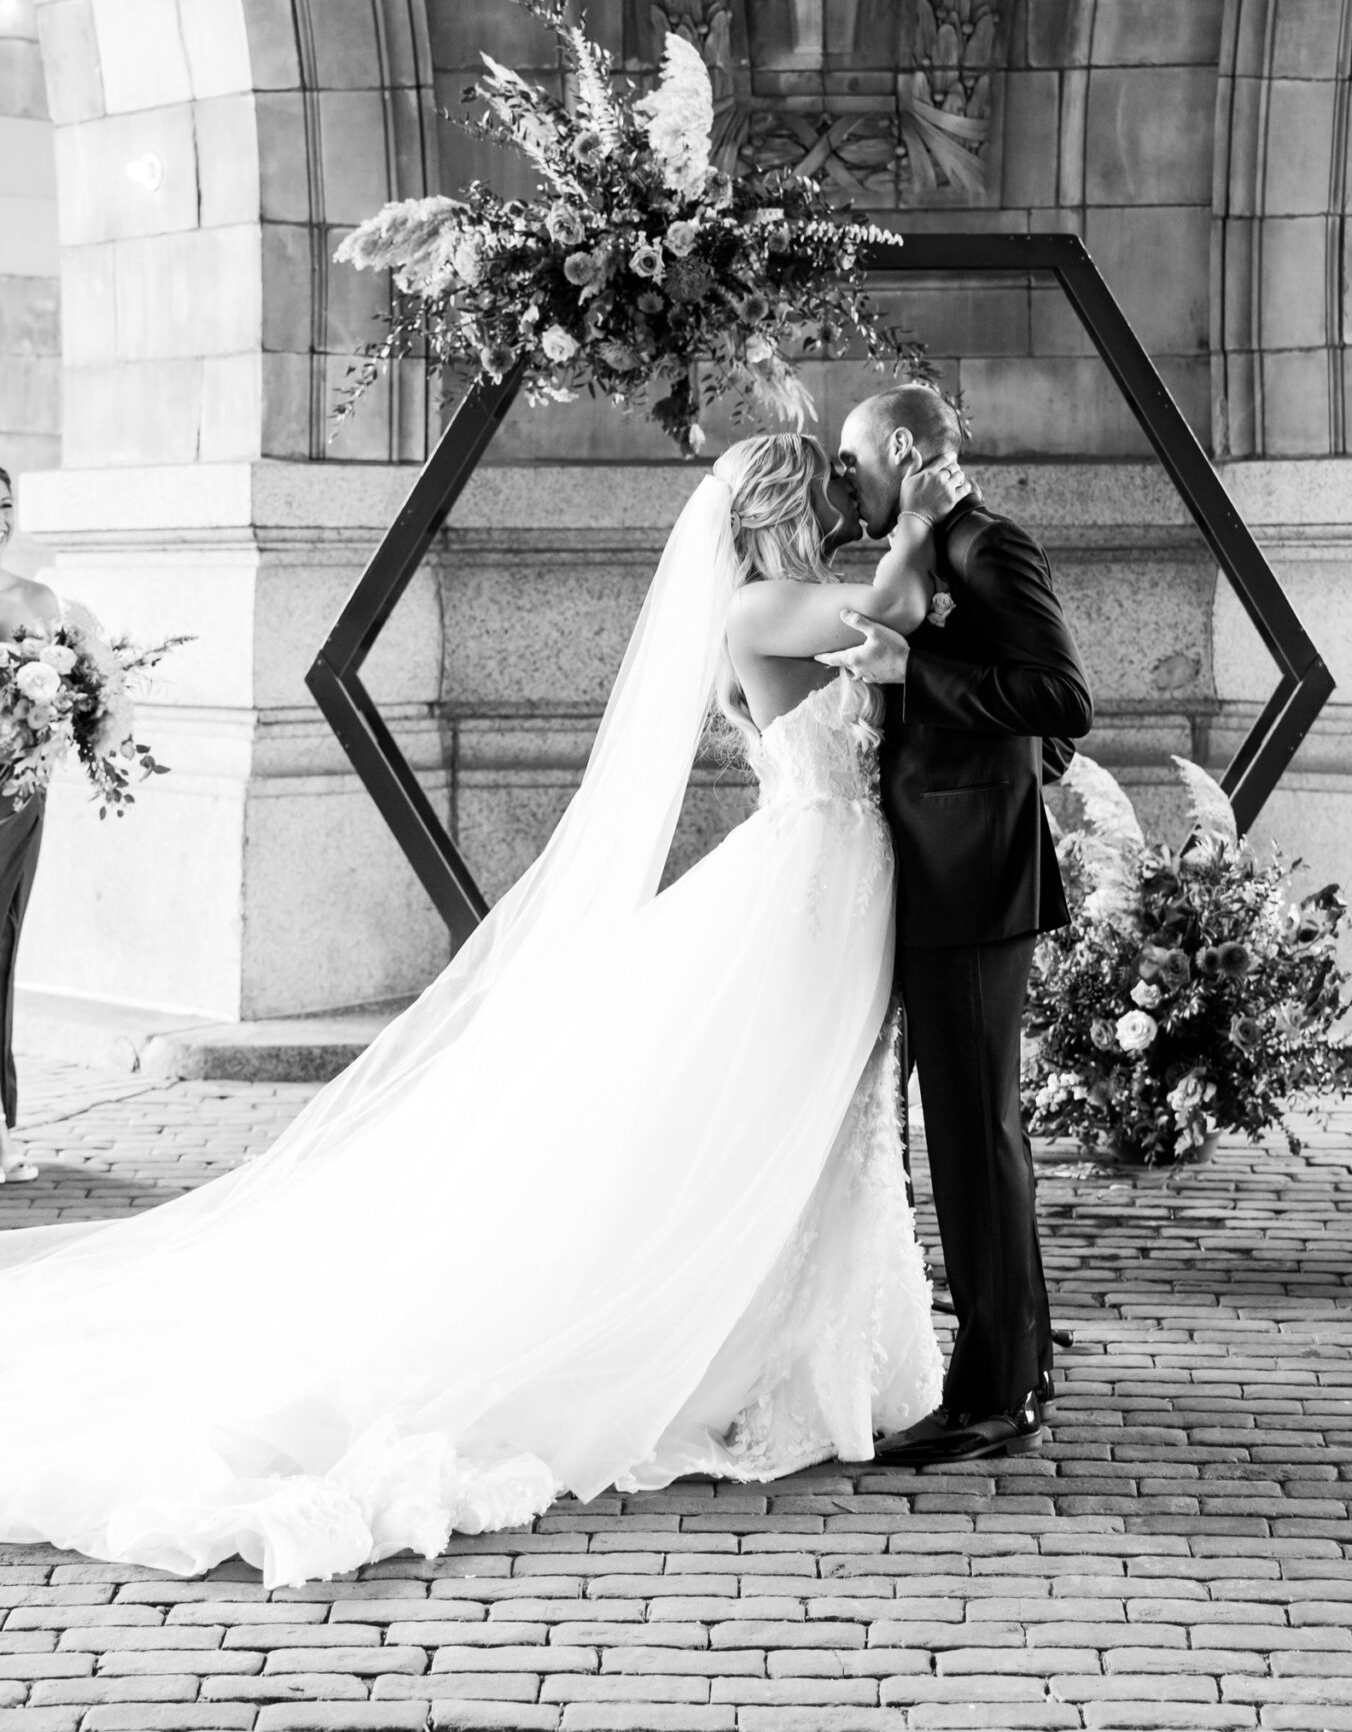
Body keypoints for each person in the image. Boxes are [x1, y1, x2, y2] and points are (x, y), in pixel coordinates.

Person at [0, 433, 961, 1587]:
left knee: (812, 1118)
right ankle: (749, 1349)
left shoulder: (780, 600)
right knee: (775, 1109)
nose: (846, 505)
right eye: (828, 490)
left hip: (832, 882)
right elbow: (898, 607)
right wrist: (929, 500)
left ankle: (797, 1341)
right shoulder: (765, 609)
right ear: (783, 510)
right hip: (805, 891)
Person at [824, 388, 1093, 1466]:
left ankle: (999, 1397)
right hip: (945, 873)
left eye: (854, 460)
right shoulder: (939, 544)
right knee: (966, 1137)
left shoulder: (989, 543)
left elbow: (1062, 697)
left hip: (975, 886)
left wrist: (913, 671)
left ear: (900, 445)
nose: (847, 481)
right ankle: (1008, 1362)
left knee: (979, 1139)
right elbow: (1037, 728)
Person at [0, 465, 58, 1187]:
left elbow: (62, 703)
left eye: (8, 503)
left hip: (13, 797)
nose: (1, 514)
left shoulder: (35, 600)